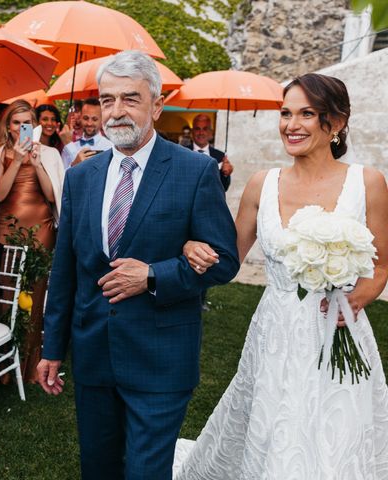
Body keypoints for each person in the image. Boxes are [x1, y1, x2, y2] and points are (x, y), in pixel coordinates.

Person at [37, 50, 239, 480]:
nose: (116, 111)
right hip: (94, 354)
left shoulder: (194, 171)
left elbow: (224, 262)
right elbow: (66, 269)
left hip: (161, 357)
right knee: (99, 468)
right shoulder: (80, 178)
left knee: (147, 472)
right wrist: (52, 348)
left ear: (157, 105)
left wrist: (152, 275)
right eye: (107, 100)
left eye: (130, 98)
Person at [177, 73, 388, 479]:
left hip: (340, 329)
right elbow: (227, 259)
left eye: (307, 114)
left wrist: (358, 298)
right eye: (286, 113)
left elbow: (380, 268)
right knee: (273, 427)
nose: (291, 125)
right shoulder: (262, 184)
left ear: (337, 122)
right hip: (276, 333)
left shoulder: (369, 183)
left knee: (338, 433)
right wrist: (190, 246)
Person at [0, 99, 64, 383]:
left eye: (26, 123)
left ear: (34, 125)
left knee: (34, 296)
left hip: (40, 229)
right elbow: (0, 195)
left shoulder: (49, 153)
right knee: (4, 294)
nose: (21, 128)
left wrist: (37, 164)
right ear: (8, 125)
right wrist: (16, 159)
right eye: (16, 122)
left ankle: (29, 366)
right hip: (5, 229)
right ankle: (1, 362)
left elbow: (53, 197)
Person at [61, 97, 113, 169]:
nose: (89, 123)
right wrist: (73, 165)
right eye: (86, 118)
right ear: (81, 118)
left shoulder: (109, 147)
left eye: (94, 119)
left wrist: (70, 146)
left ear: (102, 120)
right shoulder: (67, 148)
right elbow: (62, 177)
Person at [188, 114, 233, 192]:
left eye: (205, 129)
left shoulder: (220, 156)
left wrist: (225, 174)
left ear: (210, 132)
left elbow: (224, 187)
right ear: (192, 132)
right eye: (197, 129)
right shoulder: (182, 152)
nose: (201, 132)